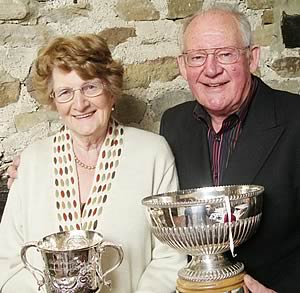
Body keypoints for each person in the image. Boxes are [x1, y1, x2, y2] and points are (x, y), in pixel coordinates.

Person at [0, 34, 186, 293]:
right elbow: (7, 262)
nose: (80, 103)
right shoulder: (32, 161)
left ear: (110, 90)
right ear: (53, 100)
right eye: (65, 92)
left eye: (90, 87)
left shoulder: (152, 154)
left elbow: (169, 257)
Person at [160, 4, 300, 292]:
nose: (211, 70)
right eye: (197, 57)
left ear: (252, 58)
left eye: (225, 54)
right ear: (182, 66)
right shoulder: (173, 124)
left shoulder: (296, 118)